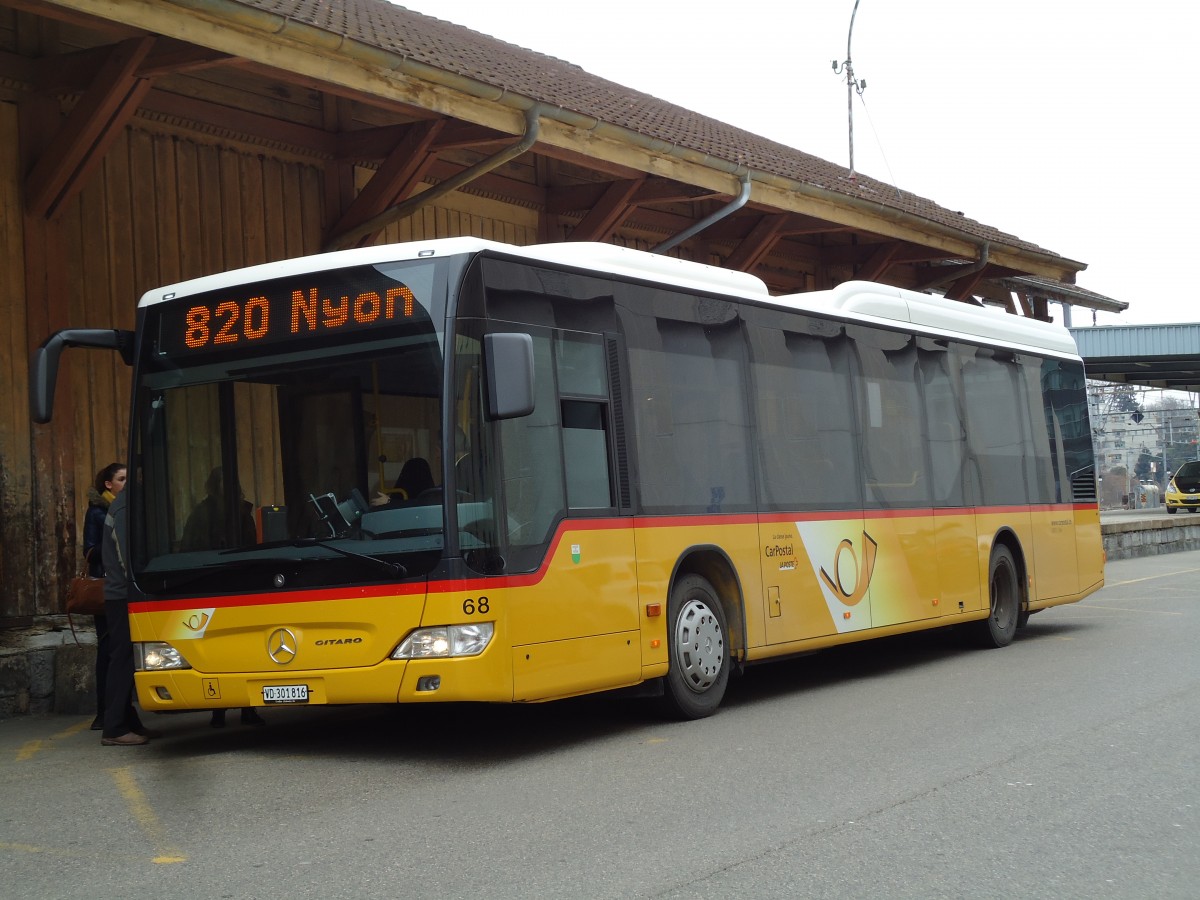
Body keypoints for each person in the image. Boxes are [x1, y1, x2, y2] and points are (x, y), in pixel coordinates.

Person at [99, 483, 156, 745]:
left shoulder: (124, 506)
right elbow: (126, 557)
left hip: (122, 594)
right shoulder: (123, 508)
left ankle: (127, 721)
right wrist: (139, 584)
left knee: (128, 659)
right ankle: (114, 728)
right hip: (123, 595)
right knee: (122, 659)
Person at [83, 462, 126, 731]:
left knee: (119, 651)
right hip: (106, 586)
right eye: (121, 479)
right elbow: (89, 550)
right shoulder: (99, 511)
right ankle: (104, 713)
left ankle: (122, 714)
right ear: (108, 484)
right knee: (108, 650)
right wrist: (111, 543)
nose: (126, 483)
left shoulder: (121, 509)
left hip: (118, 585)